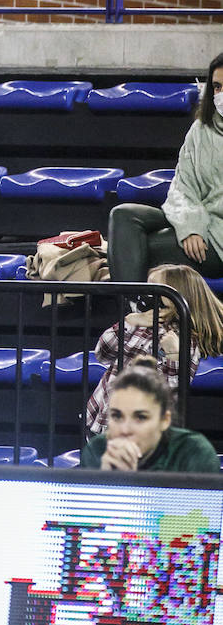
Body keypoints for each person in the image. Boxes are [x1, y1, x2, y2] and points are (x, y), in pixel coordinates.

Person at [108, 52, 223, 282]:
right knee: (123, 215)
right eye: (217, 87)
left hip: (218, 238)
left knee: (137, 249)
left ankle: (133, 313)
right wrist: (191, 226)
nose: (221, 94)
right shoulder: (201, 130)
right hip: (199, 221)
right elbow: (182, 187)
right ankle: (136, 309)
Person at [85, 263, 223, 437]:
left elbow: (172, 390)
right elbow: (103, 354)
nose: (147, 295)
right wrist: (128, 322)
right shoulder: (141, 322)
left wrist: (174, 354)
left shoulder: (186, 338)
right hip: (102, 418)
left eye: (155, 289)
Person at [80, 355, 219, 473]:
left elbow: (196, 506)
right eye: (117, 416)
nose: (125, 429)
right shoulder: (97, 450)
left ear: (165, 420)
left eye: (141, 417)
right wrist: (106, 480)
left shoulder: (194, 452)